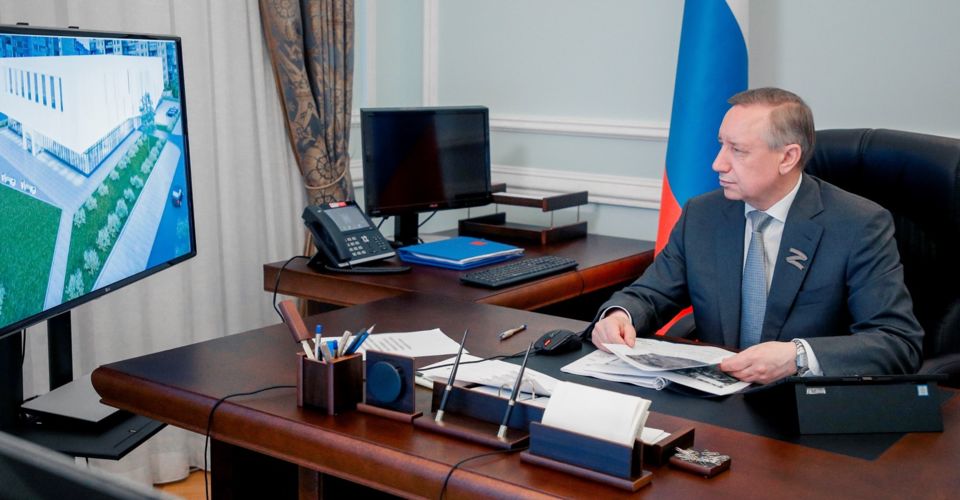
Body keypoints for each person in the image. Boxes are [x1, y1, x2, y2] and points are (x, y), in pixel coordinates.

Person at [590, 87, 923, 384]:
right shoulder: (703, 215)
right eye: (721, 145)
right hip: (718, 396)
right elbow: (651, 293)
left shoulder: (858, 224)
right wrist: (620, 315)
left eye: (738, 150)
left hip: (802, 403)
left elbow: (896, 342)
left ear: (788, 157)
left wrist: (797, 356)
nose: (718, 164)